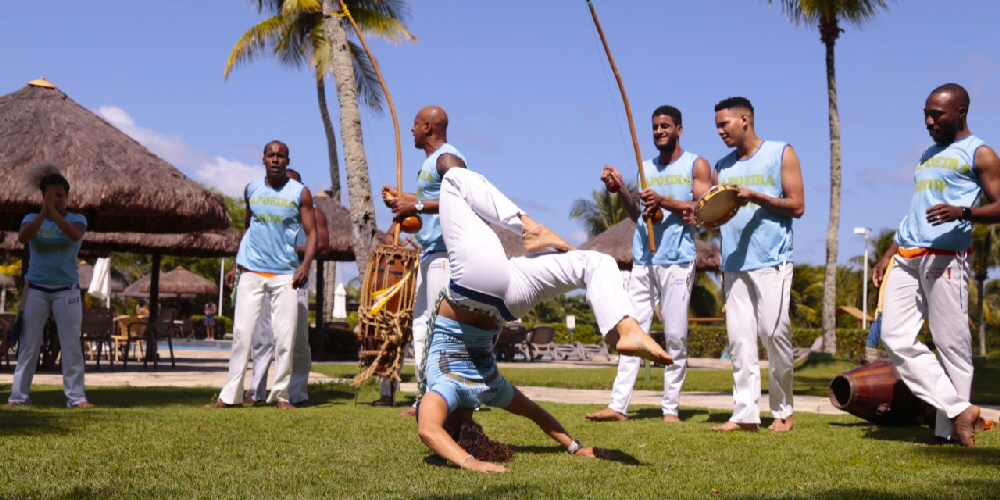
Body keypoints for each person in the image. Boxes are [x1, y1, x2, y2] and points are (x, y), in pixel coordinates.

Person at [416, 166, 672, 472]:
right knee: (454, 179)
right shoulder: (454, 389)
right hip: (480, 290)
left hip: (503, 299)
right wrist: (471, 462)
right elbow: (428, 430)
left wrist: (574, 446)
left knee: (596, 263)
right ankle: (530, 227)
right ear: (452, 425)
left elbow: (537, 414)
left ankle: (628, 328)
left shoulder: (487, 389)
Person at [872, 83, 1000, 447]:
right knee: (894, 337)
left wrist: (965, 212)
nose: (928, 121)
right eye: (926, 114)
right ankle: (960, 409)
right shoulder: (928, 153)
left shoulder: (980, 153)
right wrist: (888, 252)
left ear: (960, 112)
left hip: (947, 258)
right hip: (908, 255)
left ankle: (947, 433)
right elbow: (917, 208)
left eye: (936, 114)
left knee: (951, 345)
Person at [585, 105, 712, 423]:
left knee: (675, 335)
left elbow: (705, 208)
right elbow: (634, 214)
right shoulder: (645, 167)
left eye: (665, 127)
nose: (658, 132)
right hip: (644, 260)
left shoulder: (695, 164)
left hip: (678, 261)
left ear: (679, 130)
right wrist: (620, 190)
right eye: (655, 127)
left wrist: (664, 201)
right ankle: (618, 406)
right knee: (631, 332)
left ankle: (670, 408)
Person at [710, 97, 805, 433]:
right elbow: (717, 215)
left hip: (772, 260)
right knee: (740, 342)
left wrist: (758, 196)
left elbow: (797, 206)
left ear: (745, 119)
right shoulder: (722, 166)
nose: (719, 130)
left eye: (725, 124)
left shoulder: (781, 153)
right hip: (734, 264)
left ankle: (783, 412)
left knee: (775, 335)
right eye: (717, 125)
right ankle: (745, 415)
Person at [208, 140, 317, 409]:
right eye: (271, 155)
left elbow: (312, 233)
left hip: (285, 275)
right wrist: (237, 265)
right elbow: (247, 229)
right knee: (242, 336)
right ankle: (230, 396)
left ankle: (280, 395)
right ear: (264, 160)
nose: (276, 159)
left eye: (281, 156)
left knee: (285, 338)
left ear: (288, 161)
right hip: (252, 270)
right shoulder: (251, 189)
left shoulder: (300, 193)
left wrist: (304, 266)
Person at [378, 105, 467, 415]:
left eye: (415, 125)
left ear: (428, 127)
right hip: (429, 254)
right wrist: (403, 200)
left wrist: (413, 202)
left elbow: (465, 195)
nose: (411, 130)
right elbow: (430, 204)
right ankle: (425, 399)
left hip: (445, 256)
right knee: (421, 328)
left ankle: (449, 398)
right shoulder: (430, 163)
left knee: (438, 328)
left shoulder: (447, 157)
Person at [7, 168, 93, 408]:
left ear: (67, 197)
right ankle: (18, 396)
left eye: (61, 195)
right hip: (35, 289)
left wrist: (54, 215)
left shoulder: (78, 219)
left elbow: (75, 235)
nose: (58, 199)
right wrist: (44, 214)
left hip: (67, 290)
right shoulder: (29, 219)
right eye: (52, 195)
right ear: (42, 196)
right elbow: (24, 238)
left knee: (71, 344)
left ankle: (76, 398)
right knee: (29, 344)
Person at [243, 168, 329, 405]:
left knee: (297, 339)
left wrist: (289, 251)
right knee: (262, 337)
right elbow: (249, 236)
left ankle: (297, 393)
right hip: (265, 275)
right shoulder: (268, 210)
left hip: (294, 279)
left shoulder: (314, 213)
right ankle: (256, 391)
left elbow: (322, 246)